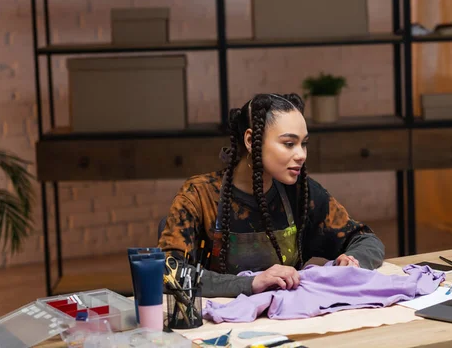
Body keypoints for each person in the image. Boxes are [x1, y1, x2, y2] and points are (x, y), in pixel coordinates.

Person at [158, 93, 385, 298]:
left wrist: (354, 261)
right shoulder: (198, 195)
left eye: (303, 144)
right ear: (250, 141)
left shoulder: (301, 193)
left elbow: (366, 240)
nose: (301, 155)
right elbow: (168, 273)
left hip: (289, 319)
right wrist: (251, 283)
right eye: (289, 143)